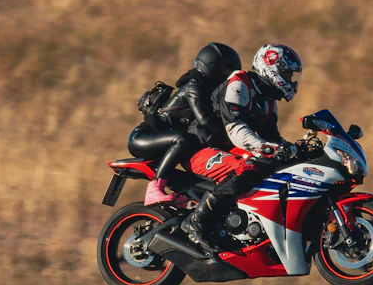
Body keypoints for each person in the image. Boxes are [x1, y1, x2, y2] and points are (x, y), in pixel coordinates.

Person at [179, 43, 304, 252]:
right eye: (287, 73)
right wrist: (266, 148)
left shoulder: (268, 102)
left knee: (279, 168)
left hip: (227, 149)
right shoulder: (240, 83)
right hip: (199, 147)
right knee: (246, 168)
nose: (290, 80)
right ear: (272, 67)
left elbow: (272, 138)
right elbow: (235, 129)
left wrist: (294, 149)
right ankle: (196, 221)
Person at [127, 42, 242, 205]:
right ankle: (155, 187)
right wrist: (231, 135)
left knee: (193, 145)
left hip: (166, 139)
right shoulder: (194, 86)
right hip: (143, 137)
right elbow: (205, 119)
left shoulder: (210, 90)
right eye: (229, 71)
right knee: (184, 139)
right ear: (214, 66)